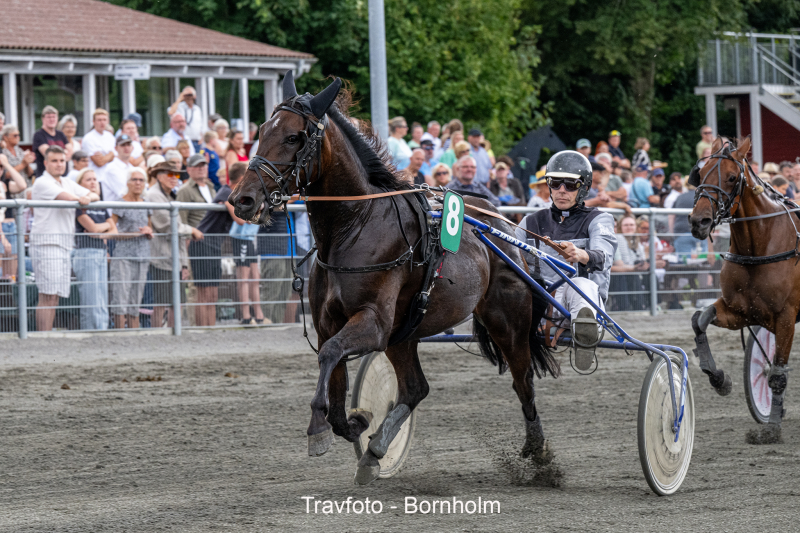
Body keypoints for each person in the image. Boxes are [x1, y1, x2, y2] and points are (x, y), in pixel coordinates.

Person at [514, 150, 617, 370]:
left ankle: (586, 334)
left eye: (570, 185)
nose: (561, 190)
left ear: (584, 188)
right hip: (536, 307)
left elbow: (605, 255)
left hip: (577, 306)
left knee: (580, 284)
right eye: (555, 183)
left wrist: (582, 254)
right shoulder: (530, 222)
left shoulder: (599, 219)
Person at [31, 146, 99, 331]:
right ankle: (43, 337)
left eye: (62, 160)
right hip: (47, 243)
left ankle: (47, 335)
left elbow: (94, 194)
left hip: (63, 244)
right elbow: (70, 198)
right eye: (54, 160)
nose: (59, 164)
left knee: (55, 296)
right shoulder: (42, 182)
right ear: (45, 163)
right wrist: (83, 198)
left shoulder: (67, 181)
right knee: (47, 295)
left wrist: (86, 197)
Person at [146, 161, 202, 328]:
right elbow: (169, 226)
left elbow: (177, 231)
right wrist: (192, 230)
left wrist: (184, 264)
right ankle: (158, 335)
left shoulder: (171, 195)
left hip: (174, 259)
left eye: (176, 175)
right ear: (159, 176)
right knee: (161, 303)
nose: (174, 178)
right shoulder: (153, 196)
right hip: (161, 258)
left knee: (178, 302)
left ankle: (173, 334)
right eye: (170, 174)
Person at [188, 161, 241, 327]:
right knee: (204, 293)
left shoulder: (228, 193)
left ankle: (210, 329)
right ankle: (203, 329)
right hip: (202, 244)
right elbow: (240, 219)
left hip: (212, 244)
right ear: (241, 179)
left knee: (212, 294)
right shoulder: (226, 192)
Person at [73, 168, 116, 330]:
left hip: (100, 252)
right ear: (80, 184)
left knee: (102, 296)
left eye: (94, 179)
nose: (93, 182)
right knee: (91, 298)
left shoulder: (101, 206)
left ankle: (102, 329)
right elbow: (91, 228)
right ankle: (90, 331)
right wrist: (104, 228)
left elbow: (114, 231)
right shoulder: (80, 205)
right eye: (88, 179)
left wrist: (101, 230)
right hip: (86, 252)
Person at [110, 167, 153, 330]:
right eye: (134, 179)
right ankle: (119, 331)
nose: (138, 183)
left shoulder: (146, 204)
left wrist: (148, 231)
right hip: (123, 255)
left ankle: (134, 333)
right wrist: (133, 234)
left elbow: (150, 227)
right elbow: (112, 230)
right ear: (128, 183)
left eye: (141, 180)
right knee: (121, 295)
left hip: (142, 254)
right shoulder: (120, 203)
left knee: (136, 297)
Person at [231, 211, 265, 326]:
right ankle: (246, 315)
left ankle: (259, 314)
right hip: (241, 237)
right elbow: (242, 219)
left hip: (250, 238)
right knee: (244, 278)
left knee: (255, 277)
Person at [0, 153, 27, 278]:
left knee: (10, 276)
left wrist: (6, 164)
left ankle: (10, 296)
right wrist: (3, 237)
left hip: (10, 226)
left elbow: (22, 185)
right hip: (1, 230)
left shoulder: (5, 184)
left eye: (0, 167)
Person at [32, 106, 70, 178]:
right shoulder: (39, 135)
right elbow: (48, 154)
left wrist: (65, 153)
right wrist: (64, 152)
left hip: (63, 177)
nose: (52, 119)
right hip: (45, 177)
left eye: (54, 117)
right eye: (49, 117)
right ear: (43, 119)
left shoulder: (61, 134)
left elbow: (70, 151)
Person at [177, 154, 214, 227]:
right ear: (188, 169)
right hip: (195, 235)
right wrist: (187, 236)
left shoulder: (211, 188)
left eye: (203, 165)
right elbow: (182, 218)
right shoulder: (184, 190)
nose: (201, 168)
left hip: (212, 234)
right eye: (197, 166)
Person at [81, 108, 116, 184]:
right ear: (93, 122)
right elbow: (99, 162)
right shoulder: (89, 138)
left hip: (110, 178)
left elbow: (115, 157)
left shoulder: (110, 136)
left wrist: (105, 156)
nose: (102, 122)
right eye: (99, 120)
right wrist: (110, 154)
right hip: (96, 178)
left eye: (104, 120)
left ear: (108, 121)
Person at [102, 134, 135, 202]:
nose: (126, 148)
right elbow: (124, 194)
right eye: (123, 145)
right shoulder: (111, 169)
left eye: (128, 145)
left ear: (132, 147)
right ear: (116, 148)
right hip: (116, 211)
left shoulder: (132, 168)